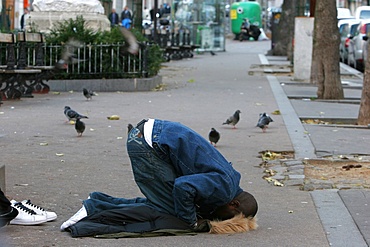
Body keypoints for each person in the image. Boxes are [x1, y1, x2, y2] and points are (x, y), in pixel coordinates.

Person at [61, 118, 258, 235]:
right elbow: (183, 186)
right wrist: (191, 222)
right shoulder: (223, 188)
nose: (219, 216)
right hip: (147, 144)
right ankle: (92, 209)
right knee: (166, 209)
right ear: (234, 204)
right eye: (226, 216)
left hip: (152, 134)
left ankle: (98, 201)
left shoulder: (232, 179)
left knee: (164, 203)